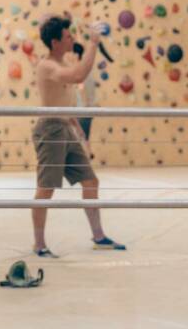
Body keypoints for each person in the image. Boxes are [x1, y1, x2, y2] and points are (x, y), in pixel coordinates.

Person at [31, 15, 124, 257]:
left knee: (91, 181)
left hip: (65, 127)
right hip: (50, 129)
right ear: (55, 42)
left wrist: (75, 124)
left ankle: (99, 236)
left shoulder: (61, 63)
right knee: (45, 188)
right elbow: (77, 77)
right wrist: (93, 43)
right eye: (67, 36)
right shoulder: (47, 66)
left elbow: (61, 97)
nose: (72, 38)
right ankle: (39, 245)